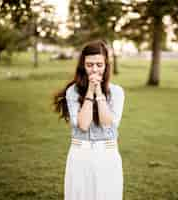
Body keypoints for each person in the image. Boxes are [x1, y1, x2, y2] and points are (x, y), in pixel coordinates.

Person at [52, 40, 125, 200]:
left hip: (107, 154)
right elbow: (83, 125)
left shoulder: (117, 92)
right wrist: (90, 91)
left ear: (106, 65)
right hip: (80, 154)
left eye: (99, 65)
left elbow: (107, 124)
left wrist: (99, 91)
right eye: (89, 64)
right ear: (82, 66)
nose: (94, 69)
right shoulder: (73, 92)